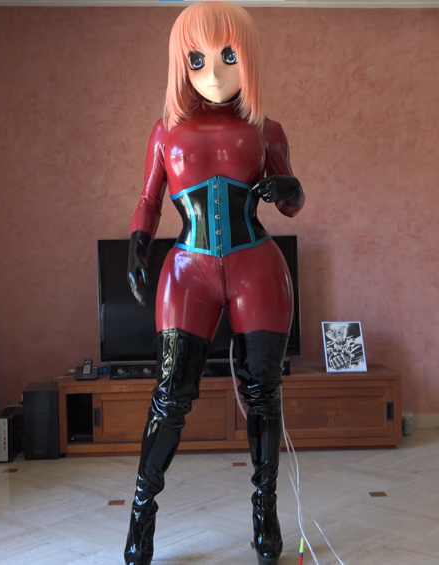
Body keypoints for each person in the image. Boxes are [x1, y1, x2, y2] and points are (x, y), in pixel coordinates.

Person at [123, 2, 305, 564]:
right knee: (170, 396)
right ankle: (140, 517)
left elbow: (291, 205)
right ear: (182, 62)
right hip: (189, 267)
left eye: (228, 56)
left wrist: (290, 187)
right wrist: (137, 241)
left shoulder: (267, 129)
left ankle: (265, 514)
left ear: (247, 57)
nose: (215, 71)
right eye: (198, 58)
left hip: (257, 265)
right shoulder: (165, 129)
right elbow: (149, 198)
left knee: (263, 394)